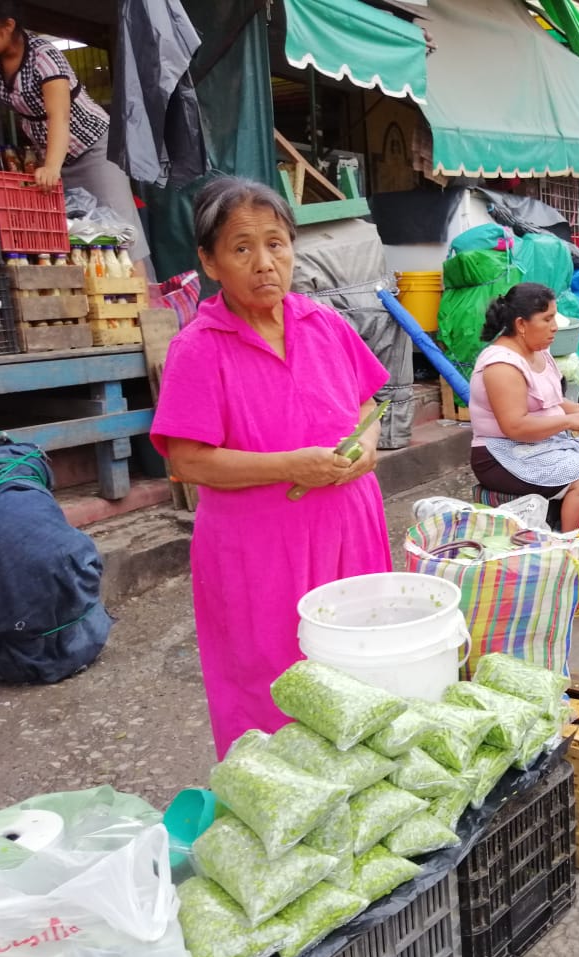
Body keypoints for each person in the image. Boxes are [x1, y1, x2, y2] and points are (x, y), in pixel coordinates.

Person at [150, 177, 392, 757]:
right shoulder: (199, 347)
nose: (265, 263)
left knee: (362, 665)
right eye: (242, 248)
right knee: (270, 682)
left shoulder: (323, 324)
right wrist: (291, 466)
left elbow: (368, 401)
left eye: (277, 243)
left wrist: (367, 444)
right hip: (258, 549)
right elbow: (186, 460)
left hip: (349, 529)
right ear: (210, 261)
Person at [0, 0, 150, 269]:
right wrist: (50, 165)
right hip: (50, 157)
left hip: (95, 149)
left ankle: (145, 303)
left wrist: (52, 167)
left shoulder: (43, 57)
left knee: (120, 234)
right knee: (68, 238)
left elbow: (59, 116)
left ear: (7, 25)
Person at [468, 283, 579, 532]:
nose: (555, 326)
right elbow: (515, 426)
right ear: (521, 324)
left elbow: (554, 405)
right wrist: (568, 422)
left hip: (544, 444)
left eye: (554, 317)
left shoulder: (539, 353)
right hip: (502, 456)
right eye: (546, 319)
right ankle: (571, 550)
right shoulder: (501, 365)